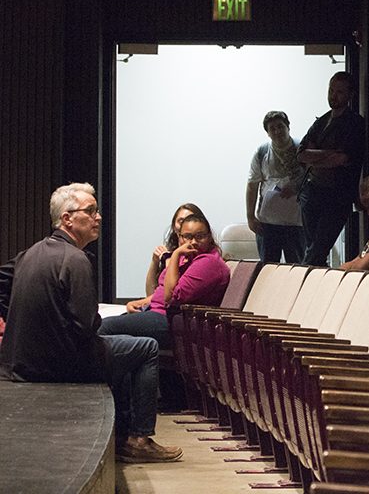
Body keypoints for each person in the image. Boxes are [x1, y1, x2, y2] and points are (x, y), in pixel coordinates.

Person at [0, 183, 182, 463]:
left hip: (20, 361)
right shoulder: (76, 259)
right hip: (59, 363)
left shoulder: (31, 252)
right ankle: (138, 439)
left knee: (119, 349)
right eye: (91, 211)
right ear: (67, 219)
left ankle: (122, 435)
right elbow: (87, 326)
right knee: (145, 347)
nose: (98, 217)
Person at [99, 212, 230, 349]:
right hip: (157, 313)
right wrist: (141, 302)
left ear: (209, 237)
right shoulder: (187, 259)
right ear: (179, 237)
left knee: (104, 327)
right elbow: (161, 289)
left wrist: (175, 255)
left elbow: (171, 297)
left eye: (200, 236)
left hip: (175, 322)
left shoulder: (208, 262)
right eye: (187, 237)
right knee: (107, 330)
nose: (193, 242)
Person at [298, 72, 366, 266]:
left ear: (350, 95)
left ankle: (301, 280)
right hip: (311, 192)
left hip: (337, 195)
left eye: (339, 92)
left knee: (318, 248)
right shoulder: (321, 121)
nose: (333, 96)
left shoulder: (354, 123)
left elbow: (342, 158)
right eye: (331, 90)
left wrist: (315, 156)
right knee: (313, 247)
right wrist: (327, 154)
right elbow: (301, 154)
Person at [247, 111, 306, 263]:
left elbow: (312, 179)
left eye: (280, 126)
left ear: (288, 127)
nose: (277, 131)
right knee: (267, 269)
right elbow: (252, 185)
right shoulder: (262, 152)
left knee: (297, 268)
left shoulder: (303, 149)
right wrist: (250, 217)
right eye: (272, 128)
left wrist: (295, 186)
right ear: (267, 133)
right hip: (267, 224)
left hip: (296, 222)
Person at [131, 203, 203, 314]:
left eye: (190, 220)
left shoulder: (199, 259)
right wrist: (155, 262)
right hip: (154, 308)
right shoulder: (174, 253)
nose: (186, 224)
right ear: (174, 226)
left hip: (170, 315)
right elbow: (153, 293)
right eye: (181, 221)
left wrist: (170, 261)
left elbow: (171, 295)